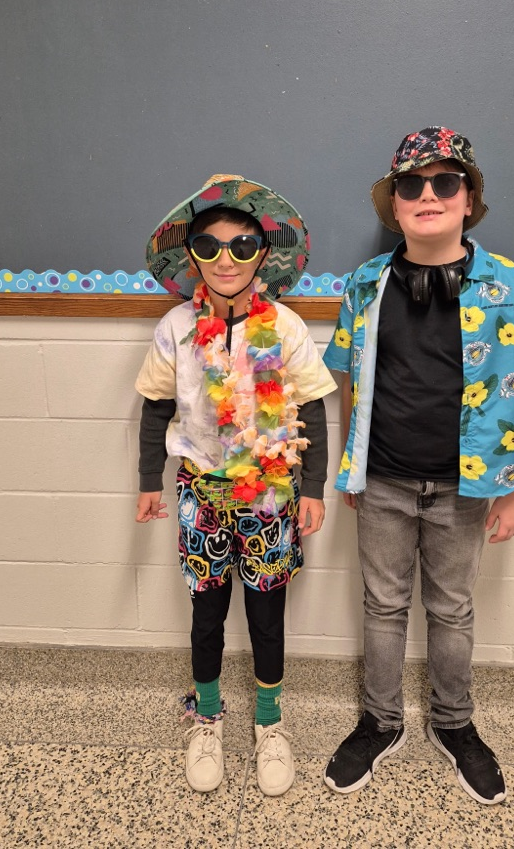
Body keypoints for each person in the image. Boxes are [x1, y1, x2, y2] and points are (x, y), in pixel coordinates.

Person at [322, 126, 514, 805]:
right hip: (385, 480)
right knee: (382, 606)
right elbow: (348, 382)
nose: (428, 195)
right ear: (393, 204)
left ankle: (454, 724)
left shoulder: (508, 284)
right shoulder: (365, 285)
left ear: (468, 198)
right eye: (411, 186)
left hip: (467, 487)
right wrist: (351, 467)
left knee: (452, 611)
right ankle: (380, 720)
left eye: (445, 183)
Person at [135, 174, 336, 796]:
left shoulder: (288, 328)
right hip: (200, 491)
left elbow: (316, 407)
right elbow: (155, 407)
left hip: (272, 492)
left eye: (243, 246)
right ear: (191, 254)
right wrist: (149, 481)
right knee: (207, 611)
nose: (226, 260)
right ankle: (208, 717)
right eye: (210, 246)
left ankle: (270, 724)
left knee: (268, 613)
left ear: (264, 255)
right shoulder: (175, 327)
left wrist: (313, 487)